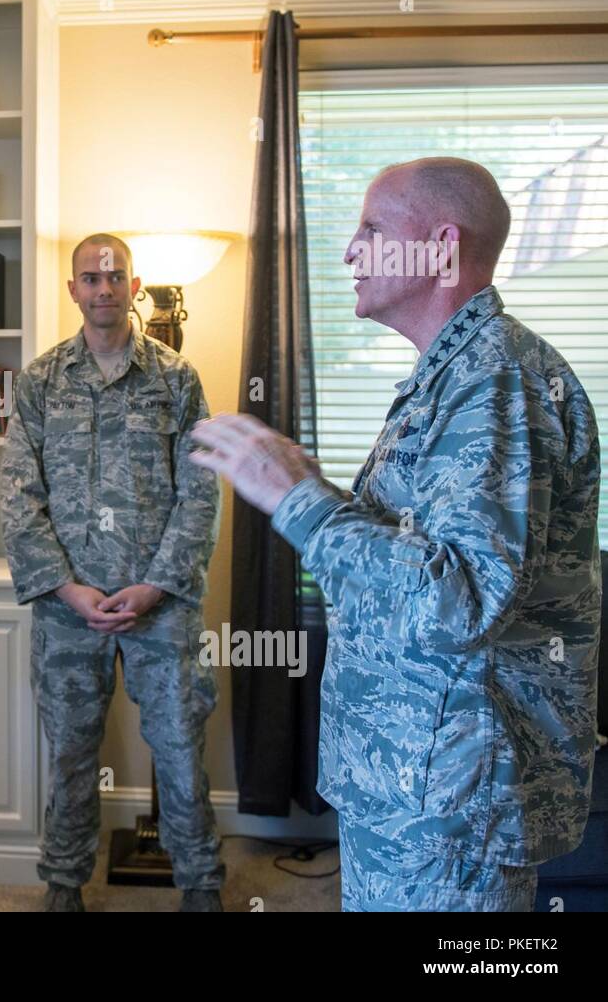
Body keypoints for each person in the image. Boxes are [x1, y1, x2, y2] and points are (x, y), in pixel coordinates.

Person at [191, 157, 601, 911]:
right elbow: (427, 549)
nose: (349, 250)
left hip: (451, 800)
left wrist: (303, 502)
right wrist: (319, 494)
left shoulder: (494, 382)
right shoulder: (452, 376)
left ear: (440, 247)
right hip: (412, 778)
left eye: (371, 229)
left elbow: (461, 600)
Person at [1, 233, 223, 912]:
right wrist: (68, 588)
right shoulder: (40, 381)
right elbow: (19, 495)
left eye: (115, 276)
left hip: (160, 605)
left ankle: (202, 885)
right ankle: (63, 884)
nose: (103, 288)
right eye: (90, 278)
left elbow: (203, 490)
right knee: (70, 755)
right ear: (73, 289)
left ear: (134, 285)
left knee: (182, 754)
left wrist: (158, 584)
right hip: (69, 608)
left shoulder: (176, 378)